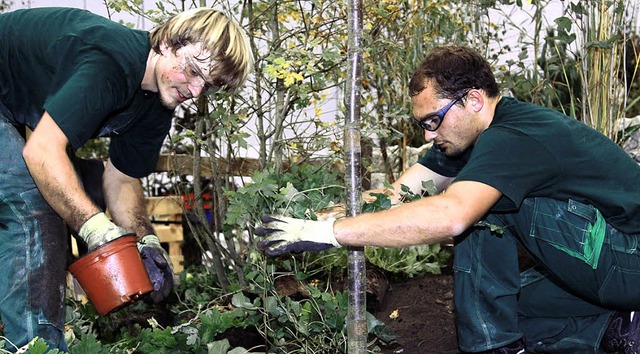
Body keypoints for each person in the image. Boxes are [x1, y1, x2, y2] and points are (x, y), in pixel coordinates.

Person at [256, 45, 640, 353]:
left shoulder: (513, 137)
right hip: (604, 268)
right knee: (510, 306)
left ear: (472, 100)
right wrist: (321, 216)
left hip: (630, 259)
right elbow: (398, 195)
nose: (427, 135)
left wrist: (335, 234)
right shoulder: (465, 141)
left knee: (483, 213)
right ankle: (617, 331)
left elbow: (453, 215)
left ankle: (492, 348)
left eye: (432, 121)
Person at [0, 6, 253, 352]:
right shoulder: (111, 62)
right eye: (193, 71)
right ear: (167, 43)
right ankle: (33, 346)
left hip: (7, 108)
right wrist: (96, 229)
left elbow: (122, 180)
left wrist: (147, 242)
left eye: (205, 85)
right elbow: (41, 152)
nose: (195, 91)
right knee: (30, 196)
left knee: (52, 196)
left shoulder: (157, 104)